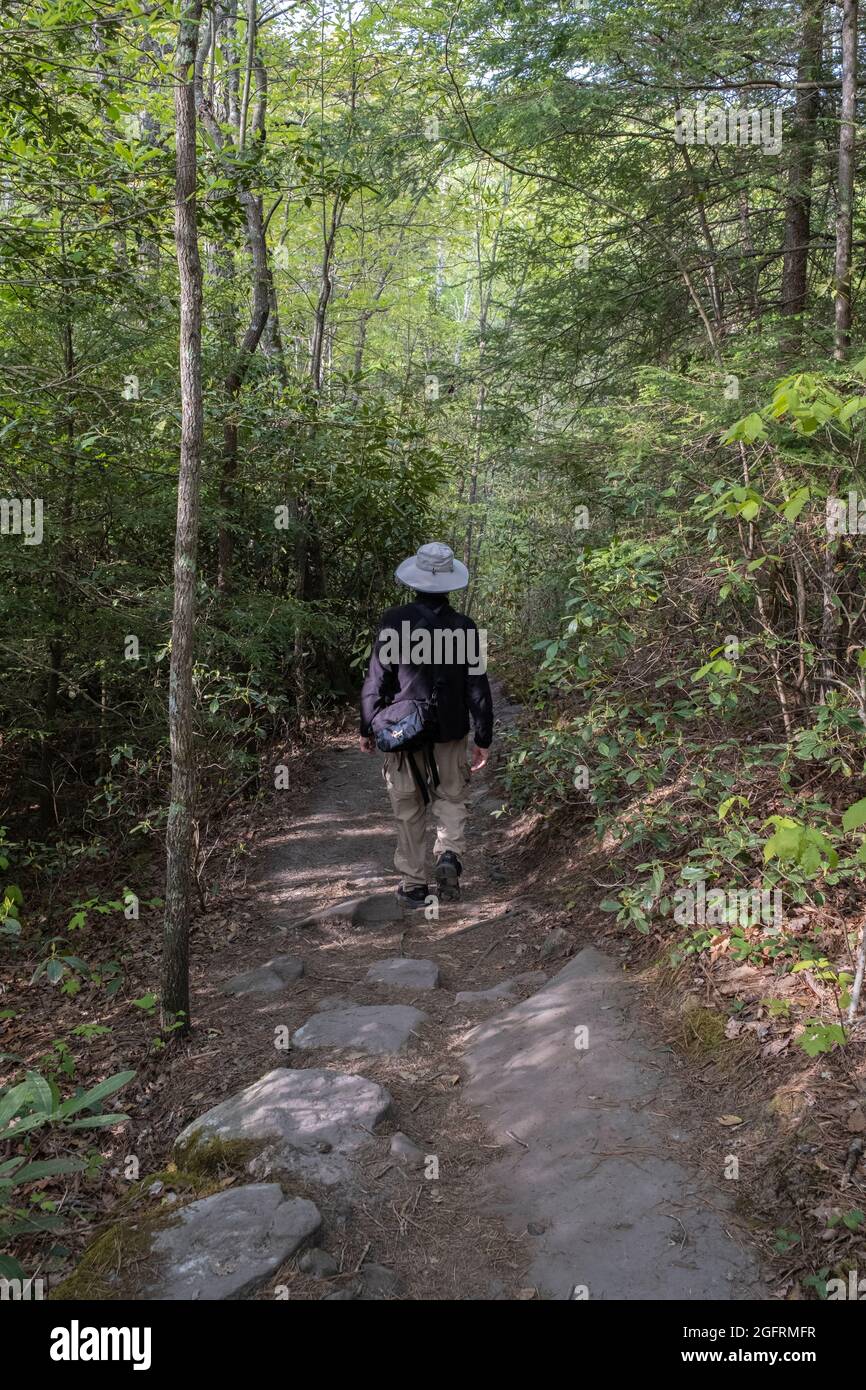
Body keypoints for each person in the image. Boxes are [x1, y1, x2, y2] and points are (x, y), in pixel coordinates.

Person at [359, 541, 493, 906]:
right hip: (450, 730)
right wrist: (483, 737)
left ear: (414, 581)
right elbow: (477, 688)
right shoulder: (466, 627)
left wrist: (368, 727)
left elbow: (376, 680)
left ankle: (415, 884)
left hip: (404, 731)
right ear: (450, 583)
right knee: (451, 795)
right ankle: (448, 854)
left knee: (408, 805)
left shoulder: (392, 622)